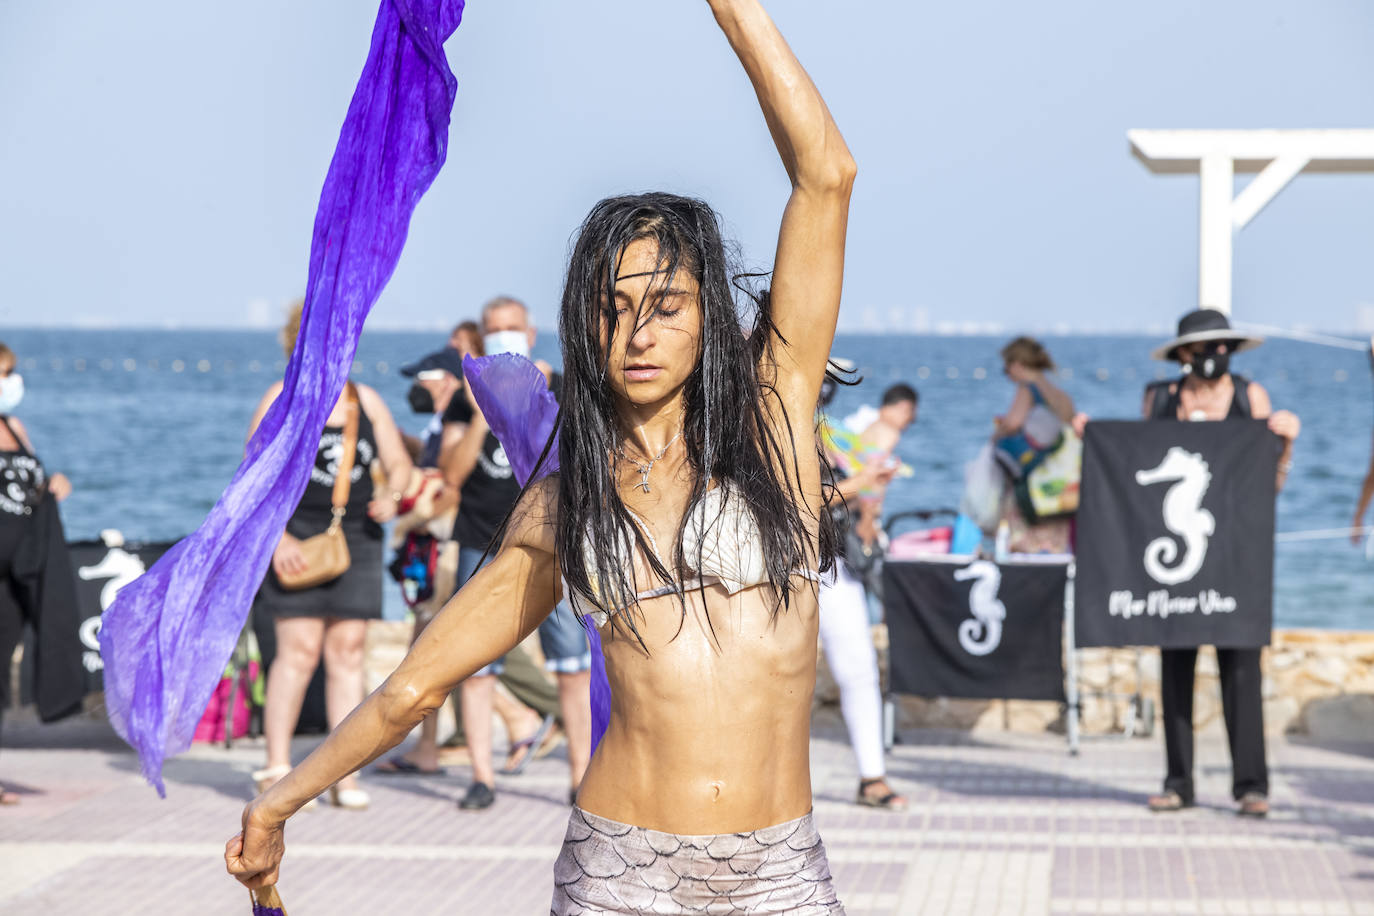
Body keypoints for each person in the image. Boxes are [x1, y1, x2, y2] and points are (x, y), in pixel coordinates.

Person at [228, 1, 854, 909]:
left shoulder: (775, 422)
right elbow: (412, 688)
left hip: (781, 875)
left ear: (710, 318)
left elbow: (826, 174)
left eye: (666, 306)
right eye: (610, 308)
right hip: (620, 872)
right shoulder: (569, 505)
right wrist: (280, 801)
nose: (635, 333)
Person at [247, 304, 414, 810]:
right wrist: (278, 541)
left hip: (357, 538)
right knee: (295, 654)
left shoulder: (367, 401)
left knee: (346, 654)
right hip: (295, 534)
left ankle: (343, 773)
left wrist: (395, 496)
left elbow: (399, 465)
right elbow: (252, 478)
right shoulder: (282, 397)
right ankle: (278, 764)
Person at [1139, 308, 1300, 818]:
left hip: (1235, 557)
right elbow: (1134, 469)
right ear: (1184, 354)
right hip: (1176, 565)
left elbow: (1267, 487)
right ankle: (1178, 782)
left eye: (1222, 347)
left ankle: (1251, 786)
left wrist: (1285, 444)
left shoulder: (1251, 398)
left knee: (1241, 670)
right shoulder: (1159, 399)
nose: (1215, 357)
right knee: (1175, 669)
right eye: (1205, 348)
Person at [445, 296, 592, 810]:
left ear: (530, 336)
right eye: (494, 330)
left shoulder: (557, 394)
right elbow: (452, 475)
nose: (503, 337)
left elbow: (575, 466)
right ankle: (482, 776)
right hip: (482, 541)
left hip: (551, 543)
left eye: (512, 329)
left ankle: (581, 774)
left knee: (573, 664)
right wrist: (488, 406)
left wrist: (531, 395)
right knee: (474, 666)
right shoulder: (465, 403)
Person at [817, 376, 907, 810]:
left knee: (859, 669)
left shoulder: (827, 434)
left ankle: (872, 776)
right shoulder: (752, 424)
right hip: (775, 568)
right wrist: (860, 484)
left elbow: (824, 497)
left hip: (831, 561)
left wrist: (869, 498)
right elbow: (789, 499)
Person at [0, 341, 79, 806]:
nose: (10, 384)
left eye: (10, 373)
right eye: (3, 374)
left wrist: (54, 484)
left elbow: (29, 483)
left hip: (17, 571)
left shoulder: (15, 426)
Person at [993, 336, 1075, 553]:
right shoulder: (1061, 396)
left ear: (1018, 365)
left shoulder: (1028, 389)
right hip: (1061, 486)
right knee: (1054, 545)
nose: (1007, 373)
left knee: (1023, 544)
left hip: (1032, 483)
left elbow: (1013, 422)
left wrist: (998, 433)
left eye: (1006, 368)